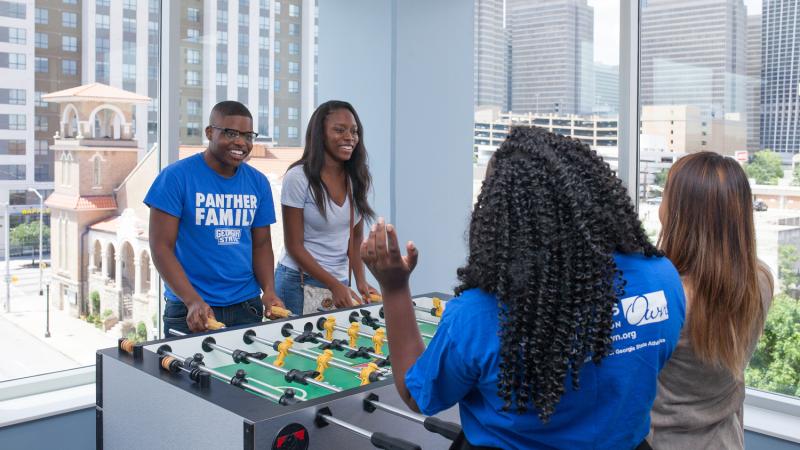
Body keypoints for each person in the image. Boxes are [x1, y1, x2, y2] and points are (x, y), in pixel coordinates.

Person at [361, 127, 686, 449]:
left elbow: (418, 395)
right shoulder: (662, 279)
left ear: (500, 214)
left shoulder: (478, 315)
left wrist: (394, 288)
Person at [648, 152, 774, 449]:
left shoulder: (667, 295)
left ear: (680, 210)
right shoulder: (760, 280)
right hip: (725, 440)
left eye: (666, 193)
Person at [146, 100, 284, 334]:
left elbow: (261, 245)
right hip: (191, 308)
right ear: (210, 133)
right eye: (231, 133)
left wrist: (269, 291)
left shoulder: (258, 183)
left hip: (246, 307)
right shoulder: (175, 177)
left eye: (248, 136)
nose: (241, 142)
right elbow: (160, 247)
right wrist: (191, 300)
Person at [275, 100, 377, 315]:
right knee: (299, 348)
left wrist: (360, 281)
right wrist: (334, 285)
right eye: (339, 130)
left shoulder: (357, 178)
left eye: (354, 131)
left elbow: (355, 239)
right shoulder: (298, 177)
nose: (349, 137)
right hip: (298, 282)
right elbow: (294, 245)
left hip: (339, 280)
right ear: (320, 134)